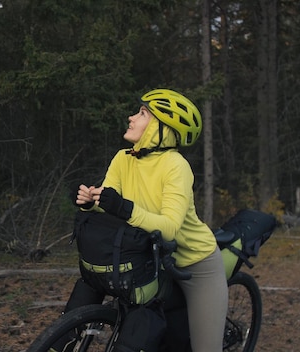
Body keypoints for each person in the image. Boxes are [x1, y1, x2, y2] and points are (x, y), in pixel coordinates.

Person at [72, 88, 228, 351]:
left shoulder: (175, 166)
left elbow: (168, 228)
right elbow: (112, 207)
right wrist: (91, 203)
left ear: (162, 127)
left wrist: (123, 207)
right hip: (149, 260)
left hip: (194, 263)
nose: (131, 117)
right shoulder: (123, 159)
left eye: (142, 113)